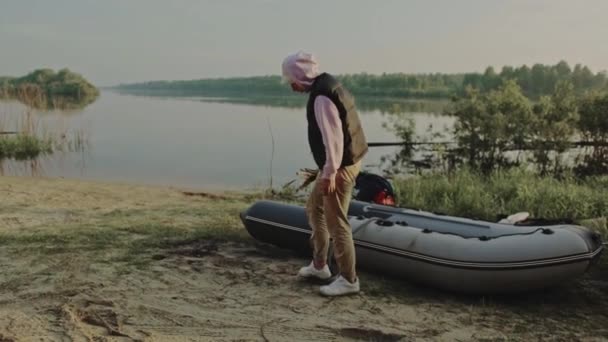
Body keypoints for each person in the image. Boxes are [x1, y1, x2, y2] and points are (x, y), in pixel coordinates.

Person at [281, 51, 368, 296]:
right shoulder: (328, 84)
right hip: (338, 164)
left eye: (291, 78)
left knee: (337, 221)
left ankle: (349, 280)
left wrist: (329, 173)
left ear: (301, 75)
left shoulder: (321, 96)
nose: (290, 84)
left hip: (339, 167)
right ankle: (320, 265)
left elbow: (334, 140)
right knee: (314, 208)